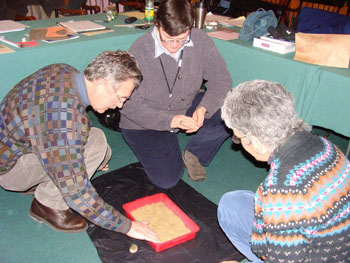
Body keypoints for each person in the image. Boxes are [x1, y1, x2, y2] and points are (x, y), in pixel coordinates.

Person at [0, 50, 159, 243]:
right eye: (120, 98)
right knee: (97, 143)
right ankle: (48, 205)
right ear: (102, 84)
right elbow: (78, 193)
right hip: (11, 172)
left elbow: (70, 122)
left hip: (15, 147)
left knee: (96, 144)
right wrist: (127, 226)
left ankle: (41, 182)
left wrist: (99, 157)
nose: (119, 106)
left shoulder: (64, 71)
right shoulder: (63, 121)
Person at [218, 80, 350, 263]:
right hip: (336, 244)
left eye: (237, 137)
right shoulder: (325, 146)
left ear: (253, 140)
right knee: (233, 204)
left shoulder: (281, 191)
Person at [119, 0, 232, 189]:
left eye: (182, 39)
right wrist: (170, 122)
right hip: (146, 121)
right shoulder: (139, 51)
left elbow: (222, 80)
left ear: (190, 28)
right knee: (168, 179)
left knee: (232, 108)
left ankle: (195, 152)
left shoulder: (200, 40)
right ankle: (170, 142)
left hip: (184, 104)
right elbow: (130, 106)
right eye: (168, 39)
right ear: (158, 25)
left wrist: (204, 108)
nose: (174, 46)